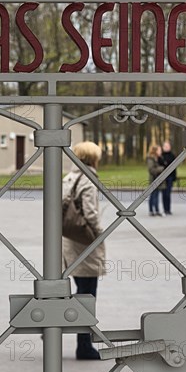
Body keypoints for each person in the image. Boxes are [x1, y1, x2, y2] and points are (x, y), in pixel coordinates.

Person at [62, 142, 106, 360]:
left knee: (80, 290)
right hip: (85, 243)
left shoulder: (69, 178)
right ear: (92, 158)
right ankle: (84, 345)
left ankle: (56, 326)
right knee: (87, 295)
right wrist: (100, 234)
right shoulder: (88, 180)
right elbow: (90, 214)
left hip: (70, 241)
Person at [146, 145, 165, 217]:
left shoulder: (158, 158)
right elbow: (151, 170)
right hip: (153, 179)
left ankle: (157, 210)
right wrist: (161, 168)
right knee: (153, 195)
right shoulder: (150, 159)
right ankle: (151, 211)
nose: (161, 151)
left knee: (157, 195)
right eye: (159, 150)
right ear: (155, 151)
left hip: (158, 179)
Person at [160, 140, 177, 215]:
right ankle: (165, 209)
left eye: (167, 146)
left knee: (168, 194)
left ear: (170, 147)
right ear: (163, 147)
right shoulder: (160, 156)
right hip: (162, 178)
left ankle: (168, 209)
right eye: (165, 146)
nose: (166, 147)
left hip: (170, 177)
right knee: (164, 194)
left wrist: (174, 177)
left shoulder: (172, 155)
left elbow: (174, 167)